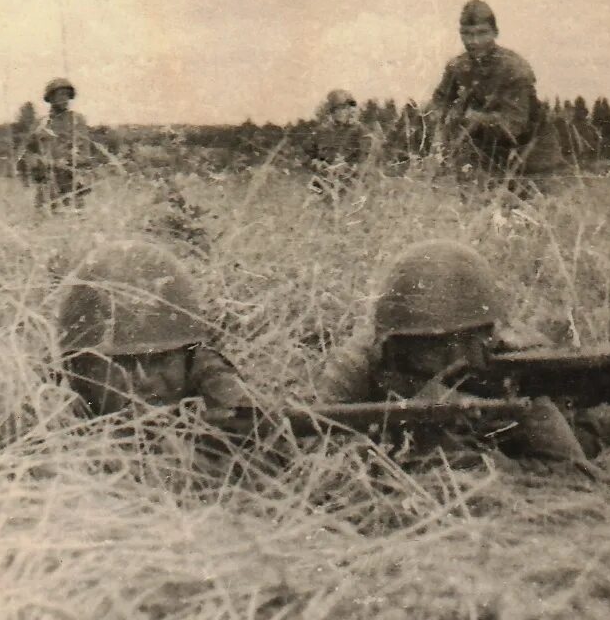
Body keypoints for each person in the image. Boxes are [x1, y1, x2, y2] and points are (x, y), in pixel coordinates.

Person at [322, 239, 604, 475]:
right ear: (397, 343)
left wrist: (494, 456)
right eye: (431, 347)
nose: (452, 359)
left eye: (462, 341)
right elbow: (311, 449)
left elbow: (577, 469)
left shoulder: (520, 360)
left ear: (487, 335)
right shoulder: (362, 362)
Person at [55, 238, 262, 426]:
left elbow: (248, 417)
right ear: (78, 370)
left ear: (187, 355)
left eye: (159, 360)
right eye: (122, 365)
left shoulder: (200, 363)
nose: (145, 380)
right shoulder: (57, 396)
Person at [428, 0, 564, 195]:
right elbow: (440, 102)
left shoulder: (515, 69)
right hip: (489, 159)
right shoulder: (458, 67)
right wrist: (444, 122)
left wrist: (471, 117)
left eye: (482, 33)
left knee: (533, 217)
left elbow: (513, 126)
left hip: (533, 160)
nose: (474, 41)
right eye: (467, 34)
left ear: (495, 33)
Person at [24, 78, 101, 211]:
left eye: (67, 95)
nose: (64, 99)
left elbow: (85, 152)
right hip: (47, 181)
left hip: (71, 179)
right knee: (44, 217)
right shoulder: (41, 123)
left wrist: (69, 162)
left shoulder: (77, 120)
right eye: (60, 94)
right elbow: (29, 152)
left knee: (74, 218)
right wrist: (38, 164)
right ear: (51, 97)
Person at [305, 90, 376, 194]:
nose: (348, 112)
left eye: (349, 108)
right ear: (332, 111)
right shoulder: (321, 132)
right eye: (342, 108)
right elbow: (306, 154)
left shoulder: (361, 131)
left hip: (350, 182)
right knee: (310, 202)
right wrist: (316, 163)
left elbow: (365, 157)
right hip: (324, 181)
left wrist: (347, 167)